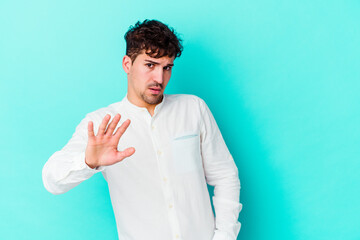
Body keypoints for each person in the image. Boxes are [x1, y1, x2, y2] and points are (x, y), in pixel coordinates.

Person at [42, 19, 242, 240]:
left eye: (167, 67)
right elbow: (52, 180)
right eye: (150, 65)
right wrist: (89, 162)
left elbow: (225, 175)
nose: (159, 78)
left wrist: (225, 236)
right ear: (127, 64)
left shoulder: (193, 108)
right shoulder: (103, 124)